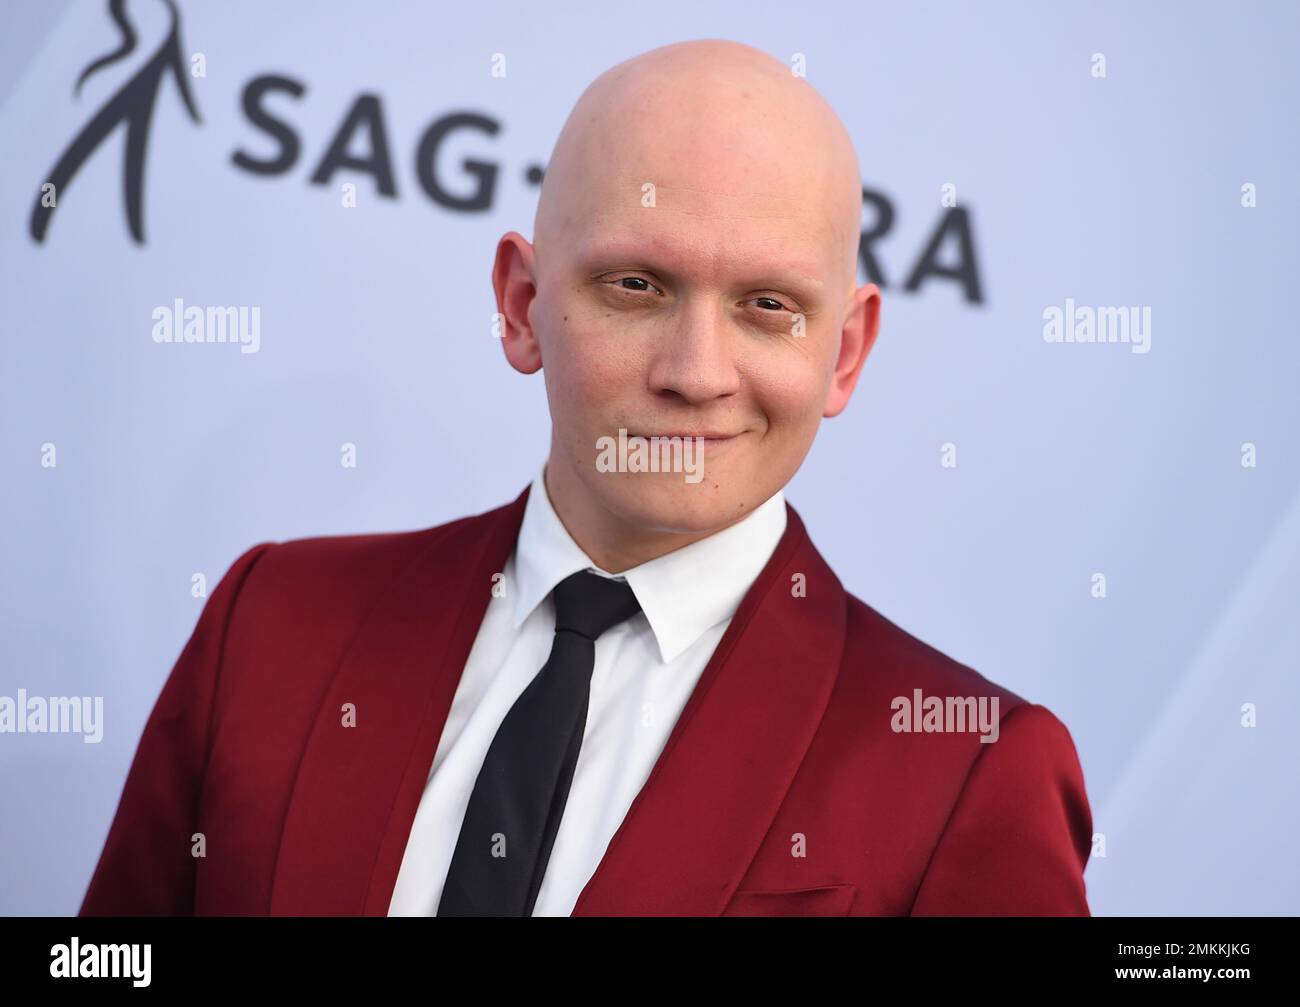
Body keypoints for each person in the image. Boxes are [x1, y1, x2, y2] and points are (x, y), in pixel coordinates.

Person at [79, 38, 1092, 917]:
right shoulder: (270, 629)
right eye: (636, 286)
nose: (695, 373)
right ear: (519, 304)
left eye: (767, 305)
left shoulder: (968, 768)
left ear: (845, 353)